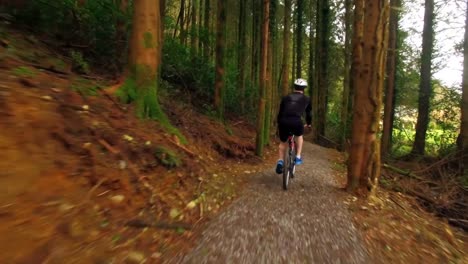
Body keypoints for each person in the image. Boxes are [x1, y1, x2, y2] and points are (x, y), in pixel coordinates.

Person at [275, 78, 312, 174]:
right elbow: (309, 114)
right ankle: (298, 156)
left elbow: (280, 113)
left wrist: (279, 123)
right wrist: (308, 124)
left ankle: (280, 161)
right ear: (304, 89)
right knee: (299, 136)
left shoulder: (286, 98)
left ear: (294, 87)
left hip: (283, 121)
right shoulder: (307, 99)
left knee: (283, 143)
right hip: (296, 121)